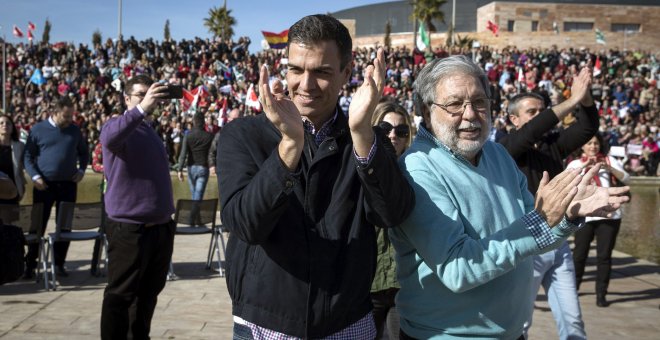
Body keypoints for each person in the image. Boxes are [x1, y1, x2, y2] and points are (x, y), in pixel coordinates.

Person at [389, 55, 629, 339]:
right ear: (426, 112)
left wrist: (568, 215)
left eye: (479, 102)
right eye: (455, 104)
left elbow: (536, 238)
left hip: (513, 332)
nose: (470, 114)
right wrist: (540, 222)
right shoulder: (418, 168)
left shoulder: (497, 154)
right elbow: (458, 269)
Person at [218, 14, 414, 339]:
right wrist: (289, 146)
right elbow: (246, 225)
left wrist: (363, 133)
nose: (305, 85)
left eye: (321, 72)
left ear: (346, 74)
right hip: (266, 323)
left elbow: (392, 214)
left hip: (348, 322)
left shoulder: (368, 137)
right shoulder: (243, 135)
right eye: (296, 69)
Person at [499, 68, 599, 340]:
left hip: (560, 243)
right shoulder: (504, 147)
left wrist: (585, 97)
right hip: (526, 246)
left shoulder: (552, 145)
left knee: (573, 320)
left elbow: (588, 127)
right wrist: (570, 101)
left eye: (542, 110)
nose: (540, 116)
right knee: (519, 324)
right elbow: (530, 133)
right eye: (532, 112)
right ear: (513, 118)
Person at [100, 75, 176, 339]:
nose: (147, 98)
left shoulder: (148, 130)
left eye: (149, 93)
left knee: (147, 295)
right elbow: (109, 139)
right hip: (130, 228)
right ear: (126, 98)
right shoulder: (116, 126)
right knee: (120, 296)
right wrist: (143, 107)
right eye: (140, 94)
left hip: (159, 228)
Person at [23, 97, 88, 279]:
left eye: (71, 116)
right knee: (37, 226)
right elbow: (28, 156)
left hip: (68, 185)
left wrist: (82, 170)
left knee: (65, 226)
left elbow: (84, 152)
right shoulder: (38, 130)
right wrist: (35, 177)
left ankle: (59, 263)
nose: (69, 120)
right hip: (44, 185)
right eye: (66, 116)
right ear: (56, 112)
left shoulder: (74, 131)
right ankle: (30, 265)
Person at [567, 133, 630, 307]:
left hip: (609, 216)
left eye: (596, 143)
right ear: (583, 146)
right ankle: (573, 289)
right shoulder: (575, 163)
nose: (593, 146)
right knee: (579, 255)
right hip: (584, 216)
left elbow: (627, 178)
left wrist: (609, 168)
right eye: (589, 143)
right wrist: (585, 167)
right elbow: (566, 183)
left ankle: (601, 294)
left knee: (604, 256)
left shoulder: (609, 160)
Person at [370, 102, 413, 340]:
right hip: (367, 283)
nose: (393, 135)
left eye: (401, 131)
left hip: (404, 284)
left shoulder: (420, 172)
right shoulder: (358, 169)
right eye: (386, 128)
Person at [176, 112, 214, 225]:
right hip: (203, 167)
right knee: (197, 196)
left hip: (191, 168)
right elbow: (212, 153)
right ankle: (193, 219)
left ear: (193, 122)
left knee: (195, 196)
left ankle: (194, 219)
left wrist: (179, 169)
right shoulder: (209, 136)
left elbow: (183, 154)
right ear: (204, 122)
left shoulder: (188, 135)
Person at [0, 114, 26, 205]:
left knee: (11, 219)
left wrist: (23, 185)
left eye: (8, 123)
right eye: (1, 123)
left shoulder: (20, 146)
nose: (5, 125)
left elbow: (25, 166)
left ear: (12, 128)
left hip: (13, 192)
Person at [208, 108, 240, 176]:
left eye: (238, 119)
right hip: (225, 171)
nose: (236, 121)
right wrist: (212, 165)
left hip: (242, 171)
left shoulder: (247, 134)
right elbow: (212, 151)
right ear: (229, 119)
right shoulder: (221, 134)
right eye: (233, 119)